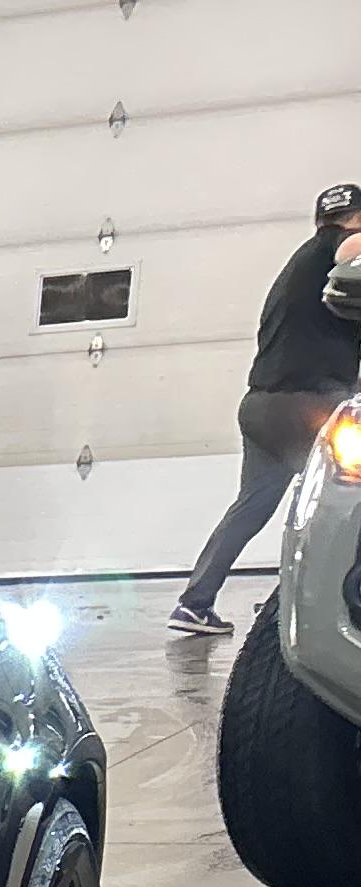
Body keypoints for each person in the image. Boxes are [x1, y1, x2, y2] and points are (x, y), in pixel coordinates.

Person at [170, 182, 361, 637]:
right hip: (308, 405)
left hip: (261, 407)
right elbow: (350, 246)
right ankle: (317, 604)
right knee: (341, 499)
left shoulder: (301, 266)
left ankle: (194, 604)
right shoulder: (338, 249)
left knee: (253, 506)